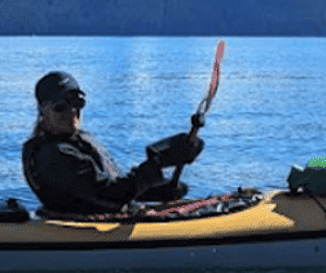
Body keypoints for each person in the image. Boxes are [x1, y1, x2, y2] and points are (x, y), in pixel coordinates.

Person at [20, 70, 203, 216]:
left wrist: (159, 191)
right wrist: (155, 166)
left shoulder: (79, 141)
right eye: (60, 107)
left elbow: (109, 188)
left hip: (101, 214)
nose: (72, 112)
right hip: (87, 229)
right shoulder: (54, 155)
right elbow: (109, 196)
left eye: (77, 102)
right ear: (43, 112)